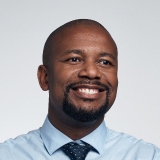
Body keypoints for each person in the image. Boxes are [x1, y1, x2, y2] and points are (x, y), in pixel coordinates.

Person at [0, 19, 160, 160]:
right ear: (45, 77)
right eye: (74, 59)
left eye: (105, 62)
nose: (91, 72)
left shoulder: (149, 156)